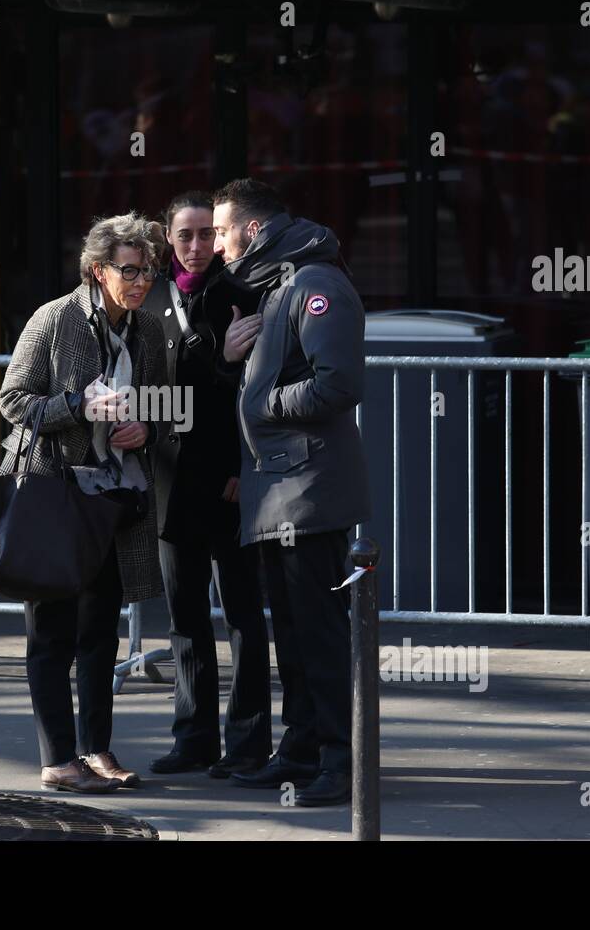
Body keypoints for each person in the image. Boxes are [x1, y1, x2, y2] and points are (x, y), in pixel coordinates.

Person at [0, 212, 168, 794]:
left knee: (100, 635)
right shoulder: (55, 318)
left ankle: (96, 750)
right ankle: (57, 758)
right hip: (54, 495)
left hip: (113, 502)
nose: (141, 280)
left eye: (147, 270)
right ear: (98, 271)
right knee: (52, 635)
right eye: (129, 270)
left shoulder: (146, 331)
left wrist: (145, 429)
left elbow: (164, 410)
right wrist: (78, 406)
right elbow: (13, 401)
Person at [213, 178, 370, 807]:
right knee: (298, 633)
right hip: (282, 490)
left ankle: (341, 759)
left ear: (252, 230)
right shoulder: (281, 284)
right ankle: (304, 748)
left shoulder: (315, 284)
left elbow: (337, 385)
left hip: (307, 490)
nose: (218, 246)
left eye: (222, 231)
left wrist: (264, 402)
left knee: (320, 634)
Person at [142, 191, 271, 778]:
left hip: (229, 483)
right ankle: (193, 738)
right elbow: (153, 392)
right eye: (183, 236)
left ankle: (246, 743)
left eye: (205, 234)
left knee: (243, 615)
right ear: (167, 240)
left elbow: (256, 395)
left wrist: (245, 469)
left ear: (219, 239)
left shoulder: (242, 298)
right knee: (185, 616)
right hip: (170, 482)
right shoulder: (148, 304)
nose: (196, 246)